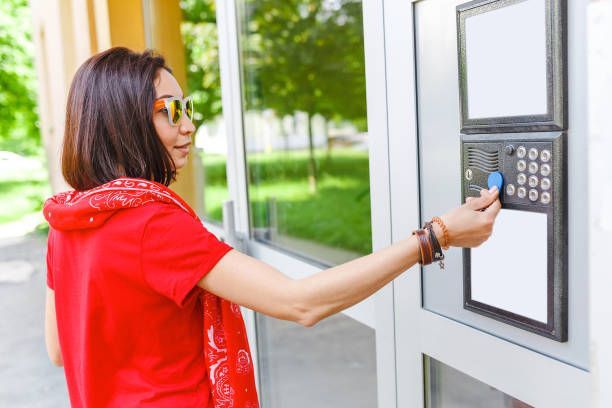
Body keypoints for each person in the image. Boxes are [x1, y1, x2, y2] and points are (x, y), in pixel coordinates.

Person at [43, 47, 501, 408]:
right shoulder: (151, 225)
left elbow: (61, 349)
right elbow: (299, 303)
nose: (190, 125)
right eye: (170, 111)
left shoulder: (67, 219)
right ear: (122, 122)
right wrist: (435, 236)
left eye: (188, 107)